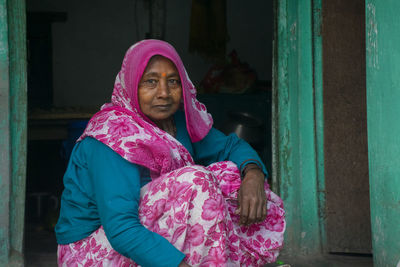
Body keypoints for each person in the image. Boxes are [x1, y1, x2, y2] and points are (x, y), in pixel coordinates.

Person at [55, 39, 285, 267]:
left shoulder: (178, 123)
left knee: (229, 173)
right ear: (131, 84)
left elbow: (231, 147)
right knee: (196, 181)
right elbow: (122, 229)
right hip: (91, 252)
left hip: (141, 239)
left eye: (173, 81)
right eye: (151, 82)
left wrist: (254, 175)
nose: (164, 93)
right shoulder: (112, 136)